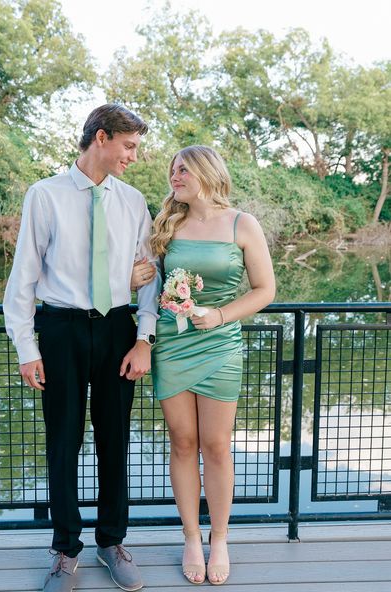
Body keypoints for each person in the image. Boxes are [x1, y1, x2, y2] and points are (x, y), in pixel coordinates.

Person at [3, 104, 161, 592]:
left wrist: (144, 339)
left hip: (117, 330)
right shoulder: (45, 195)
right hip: (61, 331)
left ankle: (112, 541)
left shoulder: (134, 201)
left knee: (115, 440)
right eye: (129, 146)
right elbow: (24, 276)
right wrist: (27, 348)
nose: (133, 157)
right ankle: (65, 549)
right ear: (102, 137)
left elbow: (149, 277)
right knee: (63, 441)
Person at [142, 145, 275, 586]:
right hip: (173, 345)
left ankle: (220, 539)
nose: (174, 177)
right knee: (182, 442)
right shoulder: (167, 223)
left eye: (182, 170)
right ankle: (191, 537)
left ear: (205, 172)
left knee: (216, 445)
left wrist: (218, 315)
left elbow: (264, 290)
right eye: (172, 171)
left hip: (220, 343)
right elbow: (145, 280)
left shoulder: (242, 224)